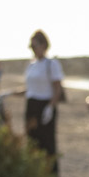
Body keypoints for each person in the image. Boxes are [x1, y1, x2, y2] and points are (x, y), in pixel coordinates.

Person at [22, 30, 64, 158]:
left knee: (47, 143)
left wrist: (50, 107)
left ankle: (51, 176)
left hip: (45, 105)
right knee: (31, 141)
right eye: (31, 46)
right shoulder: (31, 65)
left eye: (35, 46)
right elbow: (30, 89)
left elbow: (57, 89)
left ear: (43, 45)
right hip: (31, 106)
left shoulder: (51, 64)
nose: (33, 49)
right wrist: (9, 93)